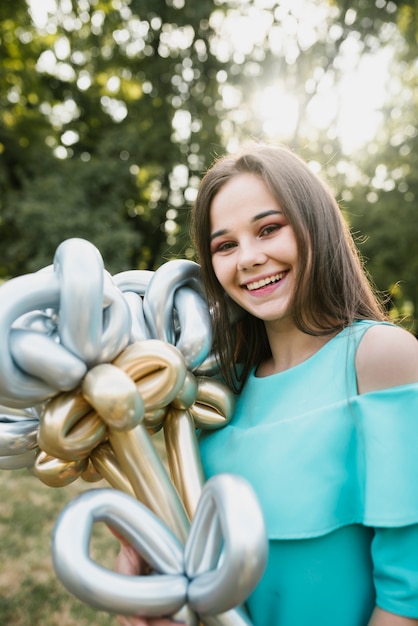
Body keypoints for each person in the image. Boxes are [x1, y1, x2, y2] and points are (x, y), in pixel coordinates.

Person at [114, 142, 418, 626]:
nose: (249, 258)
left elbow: (408, 595)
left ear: (314, 225)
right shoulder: (216, 394)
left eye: (269, 229)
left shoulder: (380, 357)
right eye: (225, 245)